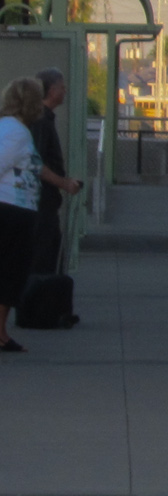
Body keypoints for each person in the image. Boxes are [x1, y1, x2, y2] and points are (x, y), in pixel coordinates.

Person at [0, 75, 80, 351]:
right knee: (10, 272)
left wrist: (65, 184)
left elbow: (35, 165)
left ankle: (1, 332)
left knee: (13, 272)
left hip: (18, 209)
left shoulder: (17, 129)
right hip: (11, 210)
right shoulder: (15, 132)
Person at [29, 68, 69, 279]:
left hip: (46, 204)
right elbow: (36, 164)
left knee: (51, 258)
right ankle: (38, 307)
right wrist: (64, 183)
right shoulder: (41, 122)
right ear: (52, 90)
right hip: (41, 204)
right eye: (62, 87)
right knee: (44, 262)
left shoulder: (43, 120)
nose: (65, 91)